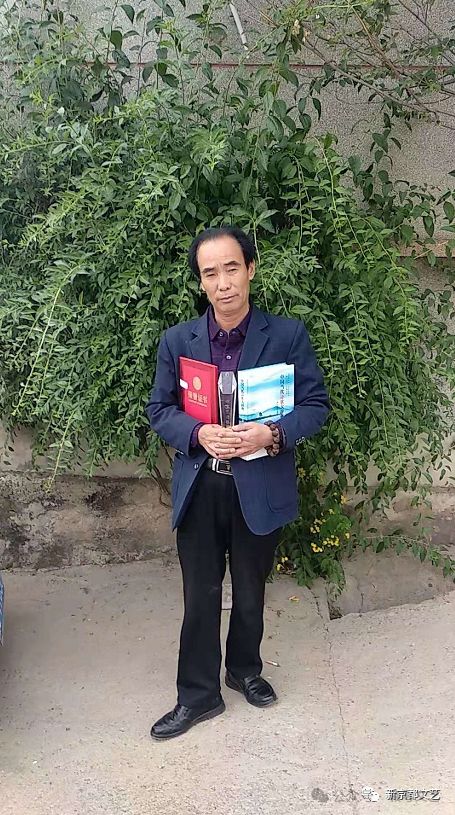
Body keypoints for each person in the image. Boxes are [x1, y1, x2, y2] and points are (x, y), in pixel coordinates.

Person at [144, 225, 330, 740]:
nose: (223, 282)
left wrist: (273, 434)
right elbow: (159, 409)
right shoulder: (178, 341)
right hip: (201, 486)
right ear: (200, 282)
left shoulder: (287, 336)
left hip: (258, 485)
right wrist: (198, 432)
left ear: (250, 269)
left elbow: (315, 406)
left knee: (250, 590)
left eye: (231, 268)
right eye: (211, 273)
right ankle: (198, 695)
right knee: (200, 595)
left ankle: (244, 669)